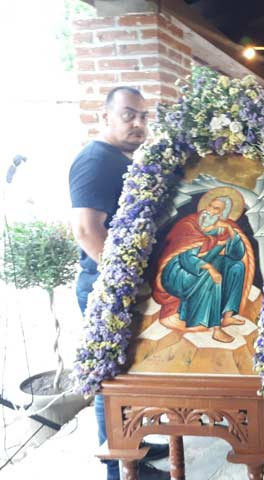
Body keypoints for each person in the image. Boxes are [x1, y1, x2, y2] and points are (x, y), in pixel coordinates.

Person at [69, 87, 169, 480]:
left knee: (129, 373)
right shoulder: (95, 160)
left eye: (143, 116)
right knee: (110, 378)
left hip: (123, 284)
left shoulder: (121, 159)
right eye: (129, 115)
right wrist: (124, 281)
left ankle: (134, 447)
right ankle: (119, 468)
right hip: (104, 286)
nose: (138, 123)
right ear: (105, 116)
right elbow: (86, 230)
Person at [153, 193, 250, 343]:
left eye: (216, 209)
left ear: (222, 214)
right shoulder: (190, 224)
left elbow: (237, 254)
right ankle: (216, 329)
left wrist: (230, 230)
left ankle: (228, 316)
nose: (209, 210)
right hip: (179, 272)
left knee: (237, 267)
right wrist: (211, 269)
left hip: (203, 263)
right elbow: (187, 259)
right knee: (214, 275)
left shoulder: (223, 228)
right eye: (210, 205)